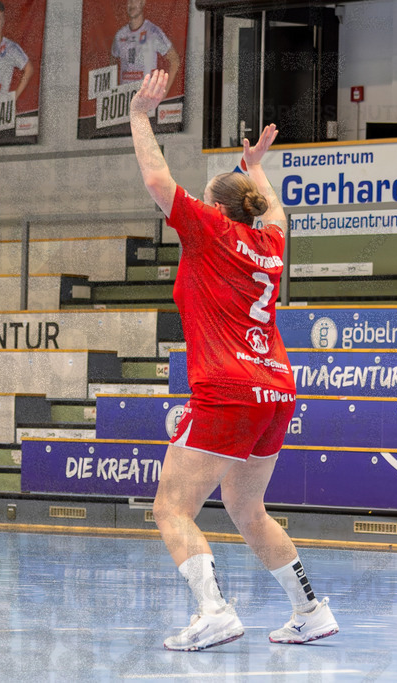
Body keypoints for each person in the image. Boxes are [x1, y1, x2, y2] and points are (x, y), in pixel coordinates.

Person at [130, 71, 338, 651]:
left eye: (204, 196)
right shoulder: (269, 243)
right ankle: (311, 610)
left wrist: (141, 116)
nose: (196, 201)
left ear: (216, 208)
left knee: (171, 506)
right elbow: (277, 214)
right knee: (247, 506)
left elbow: (156, 177)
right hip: (275, 388)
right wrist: (255, 168)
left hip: (227, 388)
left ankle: (214, 611)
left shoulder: (208, 231)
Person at [112, 0, 180, 88]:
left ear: (142, 3)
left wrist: (163, 92)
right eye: (130, 1)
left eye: (135, 1)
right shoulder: (120, 35)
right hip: (125, 95)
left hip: (147, 94)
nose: (132, 5)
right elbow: (112, 62)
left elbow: (174, 60)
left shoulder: (152, 31)